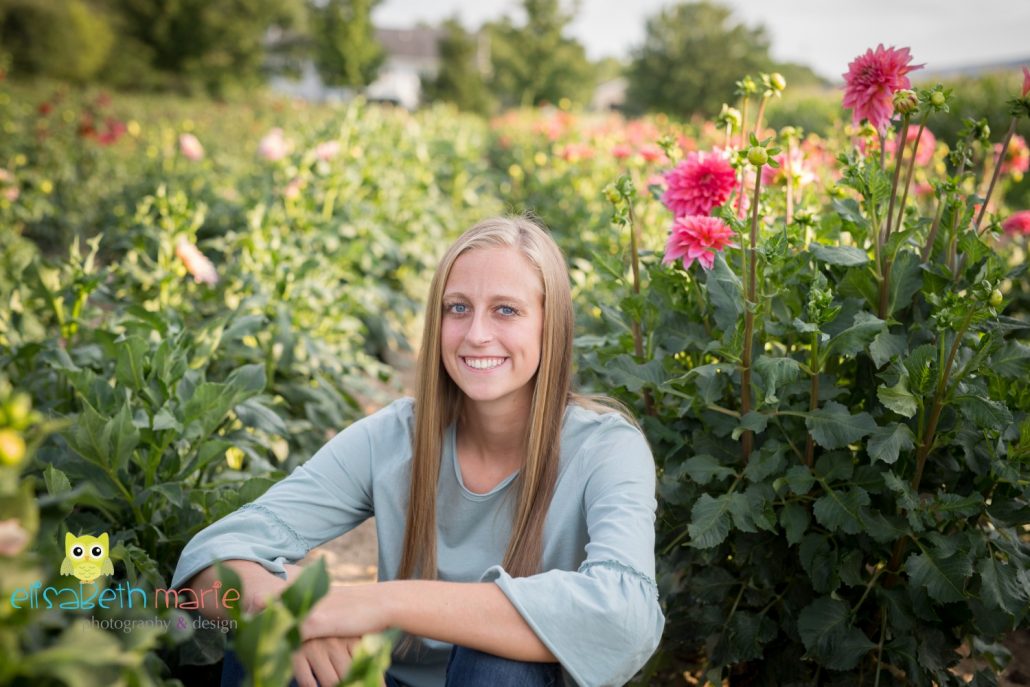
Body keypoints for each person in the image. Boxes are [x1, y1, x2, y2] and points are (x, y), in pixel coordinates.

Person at [172, 215, 665, 687]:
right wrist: (284, 610)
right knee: (274, 642)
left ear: (549, 325)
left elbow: (627, 615)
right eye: (458, 308)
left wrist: (385, 604)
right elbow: (210, 559)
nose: (476, 334)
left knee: (496, 658)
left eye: (506, 310)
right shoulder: (395, 437)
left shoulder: (606, 449)